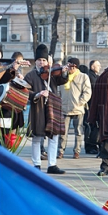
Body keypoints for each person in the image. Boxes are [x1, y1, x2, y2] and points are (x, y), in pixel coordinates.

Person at [23, 44, 70, 174]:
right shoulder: (31, 75)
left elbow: (63, 80)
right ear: (35, 61)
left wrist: (64, 71)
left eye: (44, 60)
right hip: (38, 108)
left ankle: (52, 164)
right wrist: (37, 94)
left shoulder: (52, 73)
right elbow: (26, 91)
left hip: (53, 107)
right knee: (37, 137)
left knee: (54, 136)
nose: (41, 63)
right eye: (39, 60)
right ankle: (36, 164)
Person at [58, 57, 92, 159]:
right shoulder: (63, 76)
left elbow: (87, 92)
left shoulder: (83, 77)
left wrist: (80, 102)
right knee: (63, 132)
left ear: (76, 67)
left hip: (78, 109)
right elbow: (58, 90)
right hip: (64, 108)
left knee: (79, 131)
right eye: (68, 66)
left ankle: (77, 151)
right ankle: (60, 151)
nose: (70, 68)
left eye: (72, 66)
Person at [84, 60, 102, 154]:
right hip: (91, 105)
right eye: (98, 65)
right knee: (91, 127)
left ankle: (93, 145)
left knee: (94, 127)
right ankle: (90, 146)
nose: (100, 67)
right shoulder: (90, 77)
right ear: (92, 66)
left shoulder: (95, 76)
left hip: (94, 105)